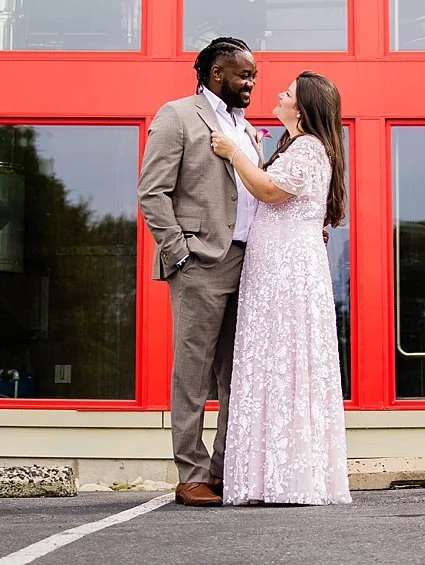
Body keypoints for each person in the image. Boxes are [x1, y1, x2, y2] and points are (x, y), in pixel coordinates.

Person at [209, 71, 351, 507]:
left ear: (302, 110)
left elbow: (269, 190)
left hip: (287, 270)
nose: (277, 95)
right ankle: (272, 474)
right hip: (274, 265)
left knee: (286, 359)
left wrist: (234, 152)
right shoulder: (297, 146)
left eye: (287, 94)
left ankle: (287, 476)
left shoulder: (308, 148)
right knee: (274, 361)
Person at [138, 37, 264, 507]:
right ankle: (190, 473)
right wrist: (180, 253)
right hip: (200, 263)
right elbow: (152, 192)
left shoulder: (245, 126)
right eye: (243, 74)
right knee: (192, 374)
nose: (251, 82)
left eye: (253, 75)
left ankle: (222, 470)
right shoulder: (177, 115)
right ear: (216, 73)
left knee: (238, 374)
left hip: (250, 264)